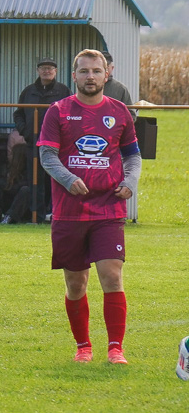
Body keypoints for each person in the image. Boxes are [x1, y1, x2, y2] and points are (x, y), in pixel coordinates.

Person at [37, 49, 141, 365]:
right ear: (74, 75)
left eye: (96, 71)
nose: (91, 77)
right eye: (84, 71)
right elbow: (47, 156)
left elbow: (132, 156)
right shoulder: (58, 111)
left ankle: (115, 348)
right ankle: (83, 346)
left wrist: (130, 182)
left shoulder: (120, 112)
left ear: (106, 74)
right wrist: (68, 180)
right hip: (69, 211)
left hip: (109, 209)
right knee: (75, 283)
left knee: (111, 276)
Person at [13, 58, 72, 220]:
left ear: (56, 71)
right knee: (35, 180)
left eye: (50, 68)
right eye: (43, 68)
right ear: (38, 71)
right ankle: (36, 216)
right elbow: (18, 114)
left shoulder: (63, 91)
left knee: (56, 179)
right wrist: (25, 131)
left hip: (57, 144)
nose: (47, 71)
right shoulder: (28, 91)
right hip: (33, 143)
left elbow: (72, 114)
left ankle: (55, 213)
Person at [0, 143, 30, 224]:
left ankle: (10, 217)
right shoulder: (8, 168)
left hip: (21, 207)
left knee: (25, 190)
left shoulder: (29, 171)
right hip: (7, 202)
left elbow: (19, 187)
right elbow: (0, 182)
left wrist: (9, 183)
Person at [102, 51, 137, 121]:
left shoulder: (120, 89)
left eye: (106, 67)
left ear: (112, 68)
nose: (104, 70)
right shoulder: (88, 87)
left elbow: (131, 115)